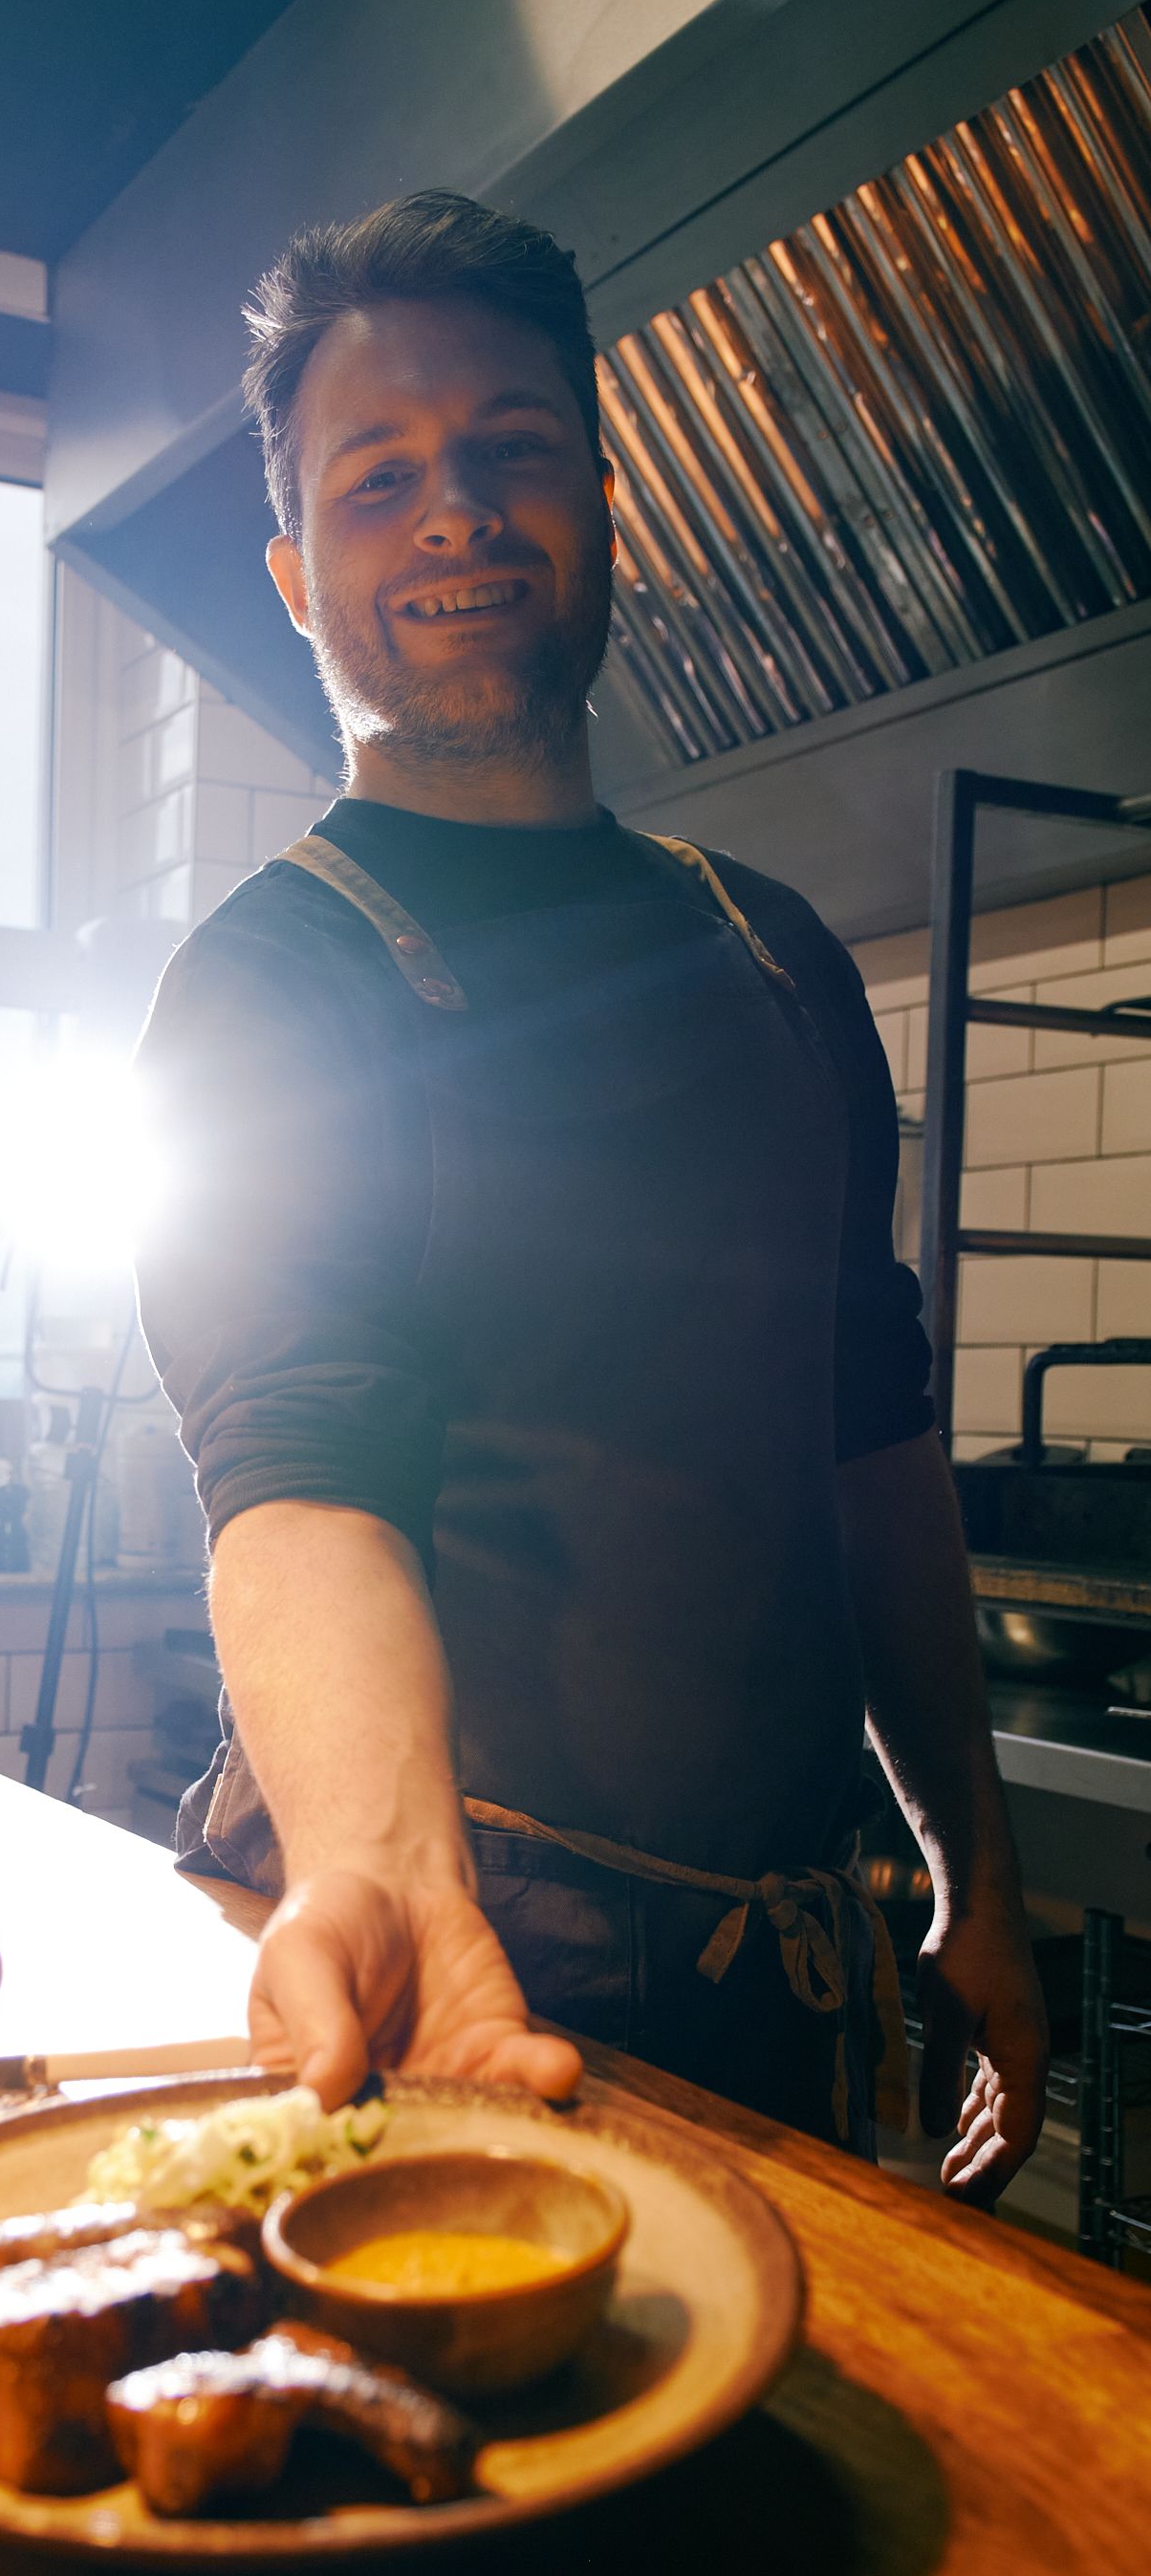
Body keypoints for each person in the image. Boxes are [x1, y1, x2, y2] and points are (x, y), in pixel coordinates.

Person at [131, 190, 1050, 2205]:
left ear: (605, 505)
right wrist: (383, 1880)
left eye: (508, 450)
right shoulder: (267, 986)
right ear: (295, 574)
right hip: (435, 1973)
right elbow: (291, 1473)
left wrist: (972, 1867)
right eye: (379, 480)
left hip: (785, 1986)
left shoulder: (779, 953)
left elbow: (867, 1431)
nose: (453, 511)